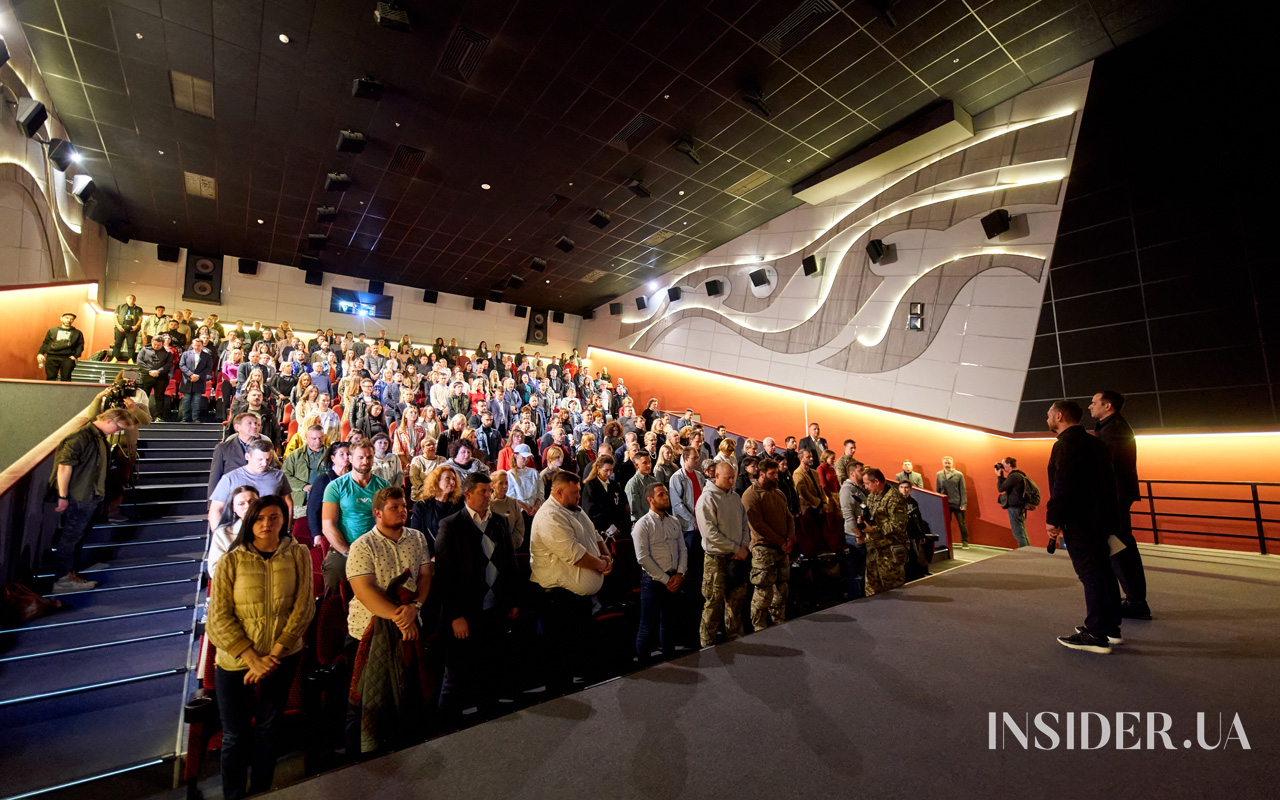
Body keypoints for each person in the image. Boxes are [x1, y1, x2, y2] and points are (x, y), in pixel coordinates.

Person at [206, 495, 313, 800]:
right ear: (250, 520)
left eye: (275, 517)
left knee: (269, 729)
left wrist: (274, 655)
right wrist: (252, 658)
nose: (267, 524)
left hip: (282, 657)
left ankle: (263, 791)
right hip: (237, 661)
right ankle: (234, 794)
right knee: (235, 736)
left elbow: (303, 608)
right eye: (260, 518)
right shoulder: (232, 559)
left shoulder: (298, 554)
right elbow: (218, 619)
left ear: (285, 520)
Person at [345, 487, 432, 754]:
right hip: (368, 631)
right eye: (394, 507)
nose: (402, 511)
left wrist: (415, 607)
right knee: (364, 700)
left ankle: (404, 748)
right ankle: (359, 757)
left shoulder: (417, 538)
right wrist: (401, 617)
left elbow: (425, 576)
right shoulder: (362, 545)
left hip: (409, 625)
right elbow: (365, 591)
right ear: (377, 513)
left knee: (406, 693)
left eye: (404, 506)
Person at [434, 473, 521, 725]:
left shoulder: (500, 522)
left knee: (490, 668)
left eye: (490, 491)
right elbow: (445, 576)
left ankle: (488, 719)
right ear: (468, 494)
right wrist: (455, 616)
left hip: (493, 609)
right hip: (465, 613)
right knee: (457, 673)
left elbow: (509, 563)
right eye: (483, 491)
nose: (488, 496)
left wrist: (513, 599)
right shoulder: (451, 525)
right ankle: (446, 727)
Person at [1045, 401, 1124, 654]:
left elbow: (1062, 485)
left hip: (1080, 521)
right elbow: (1111, 485)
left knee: (1090, 575)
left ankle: (1096, 634)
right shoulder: (1095, 442)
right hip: (1102, 520)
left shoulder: (1064, 446)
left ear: (1059, 416)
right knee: (1104, 572)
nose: (1047, 418)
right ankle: (1111, 628)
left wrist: (1053, 518)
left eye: (1048, 414)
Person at [529, 471, 611, 693]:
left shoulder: (576, 509)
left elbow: (595, 536)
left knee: (577, 649)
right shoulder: (550, 517)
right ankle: (560, 699)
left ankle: (578, 688)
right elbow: (575, 555)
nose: (579, 497)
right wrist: (602, 565)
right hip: (557, 598)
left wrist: (607, 556)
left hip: (578, 598)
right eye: (574, 493)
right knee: (559, 652)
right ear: (558, 492)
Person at [48, 408, 135, 592]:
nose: (118, 432)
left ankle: (70, 574)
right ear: (110, 421)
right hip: (79, 496)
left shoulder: (97, 438)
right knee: (70, 538)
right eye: (118, 428)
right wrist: (63, 496)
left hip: (90, 495)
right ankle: (62, 580)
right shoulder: (80, 437)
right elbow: (64, 467)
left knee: (77, 538)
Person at [1089, 390, 1150, 620]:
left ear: (1108, 406)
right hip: (1115, 499)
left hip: (1114, 500)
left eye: (1094, 403)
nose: (1090, 406)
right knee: (1121, 549)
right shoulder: (1111, 427)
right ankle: (1134, 599)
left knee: (1120, 550)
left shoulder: (1114, 430)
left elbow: (1107, 470)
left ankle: (1135, 602)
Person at [320, 440, 390, 594]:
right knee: (334, 574)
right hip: (343, 547)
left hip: (375, 546)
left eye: (369, 457)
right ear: (350, 459)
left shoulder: (383, 486)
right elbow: (328, 526)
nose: (365, 461)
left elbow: (389, 522)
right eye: (360, 457)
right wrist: (348, 552)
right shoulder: (335, 487)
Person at [695, 461, 750, 646]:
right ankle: (707, 644)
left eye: (733, 477)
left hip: (736, 558)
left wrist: (743, 546)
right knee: (713, 605)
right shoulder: (706, 500)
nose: (732, 481)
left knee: (736, 603)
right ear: (716, 476)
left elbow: (744, 524)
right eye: (728, 478)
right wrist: (736, 548)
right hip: (716, 560)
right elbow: (710, 534)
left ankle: (735, 639)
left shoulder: (735, 498)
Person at [632, 484, 686, 661]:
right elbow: (643, 558)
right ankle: (644, 665)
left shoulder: (674, 521)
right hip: (653, 581)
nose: (665, 497)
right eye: (660, 494)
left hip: (674, 577)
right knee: (647, 625)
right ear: (650, 500)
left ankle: (670, 659)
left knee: (669, 624)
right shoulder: (643, 525)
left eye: (666, 494)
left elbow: (682, 549)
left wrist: (680, 573)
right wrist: (666, 579)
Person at [742, 458, 795, 630]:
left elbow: (789, 517)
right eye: (772, 474)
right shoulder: (751, 495)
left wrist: (790, 538)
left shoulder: (778, 493)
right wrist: (781, 541)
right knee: (763, 593)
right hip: (763, 550)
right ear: (762, 473)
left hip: (782, 549)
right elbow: (757, 524)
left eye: (777, 473)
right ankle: (759, 628)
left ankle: (779, 624)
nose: (776, 477)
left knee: (782, 591)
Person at [208, 441, 293, 531]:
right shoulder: (230, 478)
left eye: (268, 459)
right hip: (240, 530)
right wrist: (219, 537)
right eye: (260, 459)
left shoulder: (278, 476)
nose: (265, 463)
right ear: (247, 457)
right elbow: (216, 509)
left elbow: (287, 503)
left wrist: (287, 529)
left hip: (270, 528)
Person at [860, 467, 909, 595]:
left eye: (867, 484)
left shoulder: (894, 498)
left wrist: (873, 529)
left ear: (876, 481)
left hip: (889, 552)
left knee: (893, 591)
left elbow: (898, 525)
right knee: (871, 590)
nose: (865, 487)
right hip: (874, 550)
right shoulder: (872, 496)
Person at [409, 464, 465, 552]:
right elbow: (416, 536)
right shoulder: (421, 507)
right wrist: (431, 556)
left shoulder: (459, 504)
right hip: (431, 556)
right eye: (448, 478)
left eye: (454, 479)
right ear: (437, 481)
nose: (452, 482)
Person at [209, 414, 267, 496]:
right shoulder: (223, 448)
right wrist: (212, 505)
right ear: (237, 427)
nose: (254, 426)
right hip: (232, 496)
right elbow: (215, 478)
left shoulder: (266, 447)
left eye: (256, 423)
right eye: (249, 423)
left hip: (259, 496)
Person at [208, 486, 259, 577]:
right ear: (233, 508)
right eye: (241, 504)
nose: (247, 506)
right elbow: (215, 570)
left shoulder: (273, 528)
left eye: (252, 502)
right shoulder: (223, 534)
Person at [307, 442, 349, 548]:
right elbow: (313, 510)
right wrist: (316, 534)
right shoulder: (323, 480)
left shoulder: (354, 478)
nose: (346, 457)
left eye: (348, 454)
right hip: (329, 529)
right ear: (332, 458)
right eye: (342, 454)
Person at [839, 461, 869, 600]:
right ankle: (856, 601)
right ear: (852, 473)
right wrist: (857, 533)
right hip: (854, 536)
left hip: (863, 533)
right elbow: (848, 514)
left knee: (863, 571)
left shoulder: (859, 488)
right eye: (860, 471)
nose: (863, 473)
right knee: (856, 573)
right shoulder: (847, 490)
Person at [283, 425, 327, 518]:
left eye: (320, 438)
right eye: (314, 438)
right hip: (300, 502)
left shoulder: (330, 454)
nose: (318, 441)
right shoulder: (295, 455)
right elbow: (284, 475)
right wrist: (303, 486)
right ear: (306, 437)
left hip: (324, 501)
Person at [581, 455, 628, 539]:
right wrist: (607, 526)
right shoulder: (591, 485)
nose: (609, 474)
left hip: (617, 529)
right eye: (606, 470)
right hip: (599, 530)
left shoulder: (614, 485)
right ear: (598, 468)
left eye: (611, 470)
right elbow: (591, 511)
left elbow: (621, 505)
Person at [792, 448, 827, 556]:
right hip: (808, 510)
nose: (811, 458)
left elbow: (820, 489)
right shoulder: (798, 473)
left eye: (811, 456)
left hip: (819, 507)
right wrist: (818, 504)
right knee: (810, 537)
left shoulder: (814, 472)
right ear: (801, 458)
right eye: (808, 457)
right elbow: (804, 493)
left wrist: (824, 503)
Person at [36, 312, 85, 381]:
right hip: (52, 357)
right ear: (61, 319)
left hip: (67, 358)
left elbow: (80, 345)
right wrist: (40, 353)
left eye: (71, 319)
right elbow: (46, 343)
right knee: (50, 378)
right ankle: (50, 391)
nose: (69, 320)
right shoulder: (52, 330)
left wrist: (75, 356)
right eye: (67, 318)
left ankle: (64, 392)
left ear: (73, 321)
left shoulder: (77, 333)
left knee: (66, 379)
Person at [935, 456, 969, 548]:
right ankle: (945, 542)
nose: (947, 464)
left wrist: (963, 504)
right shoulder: (939, 474)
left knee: (961, 523)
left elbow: (963, 490)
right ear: (942, 463)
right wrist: (938, 503)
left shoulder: (958, 474)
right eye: (945, 463)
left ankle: (965, 541)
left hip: (957, 503)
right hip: (945, 503)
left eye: (949, 463)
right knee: (945, 524)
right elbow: (937, 490)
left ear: (952, 463)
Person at [996, 457, 1030, 547]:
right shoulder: (1019, 475)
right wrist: (1001, 475)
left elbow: (1000, 488)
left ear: (1009, 464)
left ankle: (1025, 554)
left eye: (1003, 465)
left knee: (1018, 533)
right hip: (1020, 507)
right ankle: (1028, 551)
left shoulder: (1013, 476)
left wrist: (999, 476)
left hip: (1014, 508)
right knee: (1022, 531)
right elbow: (1006, 485)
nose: (1002, 467)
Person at [178, 338, 215, 422]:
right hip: (187, 380)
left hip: (200, 380)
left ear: (202, 346)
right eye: (195, 345)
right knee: (186, 400)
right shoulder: (186, 354)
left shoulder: (207, 356)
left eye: (199, 345)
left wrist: (198, 376)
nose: (197, 347)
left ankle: (195, 418)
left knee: (197, 400)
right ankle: (185, 418)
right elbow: (181, 365)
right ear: (192, 345)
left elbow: (208, 367)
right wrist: (191, 375)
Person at [136, 335, 173, 417]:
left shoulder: (167, 353)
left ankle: (158, 416)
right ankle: (141, 415)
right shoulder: (144, 350)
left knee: (159, 397)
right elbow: (139, 362)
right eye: (155, 344)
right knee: (144, 396)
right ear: (152, 342)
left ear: (162, 344)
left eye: (159, 345)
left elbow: (169, 364)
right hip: (146, 376)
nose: (156, 346)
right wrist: (149, 371)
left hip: (161, 377)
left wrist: (159, 371)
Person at [489, 471, 526, 549]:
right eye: (501, 483)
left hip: (511, 548)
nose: (505, 486)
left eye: (506, 483)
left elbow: (519, 527)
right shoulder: (487, 504)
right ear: (492, 485)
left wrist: (509, 544)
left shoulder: (513, 502)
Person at [624, 450, 660, 523]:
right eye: (645, 463)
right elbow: (635, 509)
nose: (649, 465)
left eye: (649, 462)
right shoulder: (632, 483)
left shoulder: (654, 481)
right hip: (641, 523)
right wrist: (648, 522)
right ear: (637, 465)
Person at [112, 294, 144, 362]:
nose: (131, 300)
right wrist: (118, 326)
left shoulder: (139, 309)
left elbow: (140, 319)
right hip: (120, 328)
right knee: (117, 344)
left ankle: (131, 359)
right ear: (126, 299)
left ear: (135, 300)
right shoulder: (120, 307)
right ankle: (114, 358)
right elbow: (115, 317)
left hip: (132, 329)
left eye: (133, 298)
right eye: (130, 298)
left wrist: (136, 326)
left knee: (131, 345)